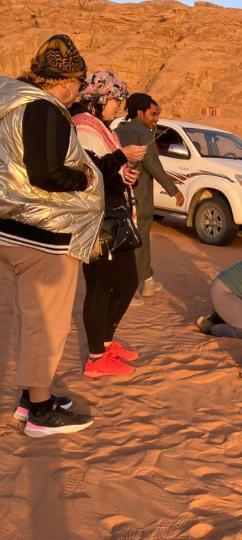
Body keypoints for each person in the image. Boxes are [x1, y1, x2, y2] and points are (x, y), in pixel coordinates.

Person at [0, 35, 103, 436]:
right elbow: (46, 173)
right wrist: (84, 176)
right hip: (42, 233)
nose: (78, 92)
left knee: (32, 316)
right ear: (66, 82)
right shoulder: (44, 109)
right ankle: (40, 412)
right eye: (78, 84)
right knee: (47, 320)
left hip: (12, 225)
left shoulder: (11, 102)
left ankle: (31, 400)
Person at [72, 72, 148, 378]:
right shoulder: (82, 126)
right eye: (116, 100)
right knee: (100, 286)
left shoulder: (101, 127)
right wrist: (122, 156)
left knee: (127, 281)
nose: (119, 106)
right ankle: (95, 358)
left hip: (115, 215)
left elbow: (110, 169)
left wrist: (128, 173)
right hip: (97, 219)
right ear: (100, 98)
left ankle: (104, 342)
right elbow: (89, 173)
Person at [116, 93, 184, 297]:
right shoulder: (143, 133)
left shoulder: (118, 130)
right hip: (140, 196)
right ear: (140, 113)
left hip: (119, 194)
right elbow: (153, 165)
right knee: (140, 238)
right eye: (153, 114)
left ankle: (142, 279)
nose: (156, 118)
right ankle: (141, 283)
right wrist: (174, 190)